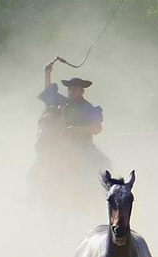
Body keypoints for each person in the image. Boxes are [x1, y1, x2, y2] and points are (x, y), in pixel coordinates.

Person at [28, 61, 110, 211]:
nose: (71, 92)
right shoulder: (62, 103)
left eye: (75, 89)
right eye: (70, 89)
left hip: (83, 146)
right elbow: (48, 93)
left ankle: (102, 197)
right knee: (39, 165)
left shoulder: (88, 108)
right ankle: (32, 192)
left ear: (81, 91)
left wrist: (76, 129)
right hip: (60, 145)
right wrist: (47, 73)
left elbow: (96, 128)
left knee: (104, 163)